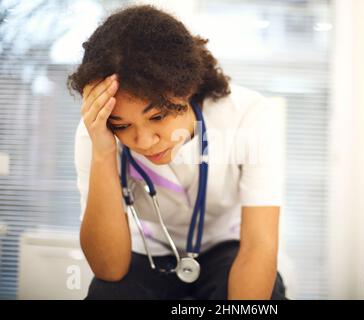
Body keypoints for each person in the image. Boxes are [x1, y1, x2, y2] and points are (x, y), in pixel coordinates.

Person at [69, 4, 286, 300]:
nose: (144, 141)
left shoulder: (249, 116)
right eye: (122, 125)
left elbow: (258, 245)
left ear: (186, 88)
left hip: (228, 246)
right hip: (151, 250)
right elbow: (109, 268)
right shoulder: (96, 133)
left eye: (157, 117)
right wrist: (103, 152)